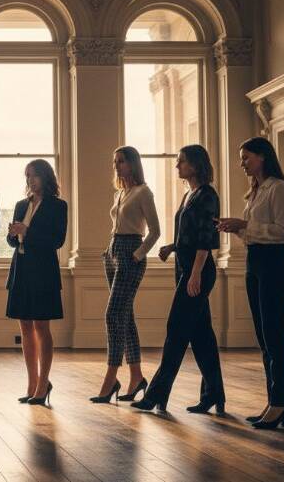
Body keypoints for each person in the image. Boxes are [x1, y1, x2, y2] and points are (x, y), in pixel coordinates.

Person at [132, 145, 224, 414]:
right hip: (185, 269)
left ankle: (156, 395)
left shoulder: (207, 195)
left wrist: (194, 274)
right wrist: (172, 246)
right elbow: (191, 235)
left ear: (195, 164)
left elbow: (206, 240)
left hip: (198, 272)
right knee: (202, 337)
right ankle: (214, 395)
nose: (177, 166)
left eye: (182, 162)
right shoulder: (189, 195)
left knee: (175, 331)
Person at [217, 136, 284, 429]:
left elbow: (281, 231)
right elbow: (255, 233)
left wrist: (244, 225)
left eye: (246, 157)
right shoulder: (255, 191)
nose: (242, 163)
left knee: (275, 335)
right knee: (264, 338)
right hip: (256, 262)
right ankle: (275, 403)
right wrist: (236, 228)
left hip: (275, 263)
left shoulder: (279, 188)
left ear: (263, 156)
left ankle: (279, 403)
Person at [91, 147, 160, 404]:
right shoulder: (121, 192)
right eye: (115, 161)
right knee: (125, 316)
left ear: (133, 163)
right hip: (112, 251)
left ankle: (111, 378)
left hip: (131, 252)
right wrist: (109, 253)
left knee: (112, 315)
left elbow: (155, 230)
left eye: (121, 161)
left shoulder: (144, 192)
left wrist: (138, 255)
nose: (117, 165)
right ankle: (137, 377)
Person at [6, 159, 67, 406]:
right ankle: (32, 383)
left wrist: (26, 232)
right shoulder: (21, 204)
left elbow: (57, 240)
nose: (30, 180)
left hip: (43, 271)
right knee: (24, 327)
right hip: (21, 269)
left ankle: (44, 383)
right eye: (27, 176)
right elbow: (12, 241)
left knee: (42, 327)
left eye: (34, 175)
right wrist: (13, 233)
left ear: (45, 176)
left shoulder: (58, 206)